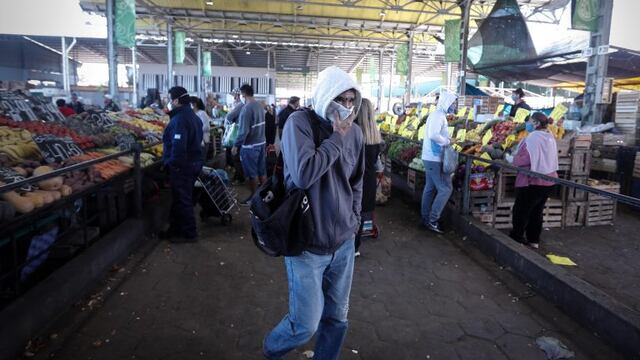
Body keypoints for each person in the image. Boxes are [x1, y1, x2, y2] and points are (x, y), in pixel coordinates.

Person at [263, 66, 364, 360]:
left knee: (337, 318)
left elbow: (356, 182)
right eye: (339, 99)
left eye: (350, 101)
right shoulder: (300, 124)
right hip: (306, 243)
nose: (345, 107)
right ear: (324, 96)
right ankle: (270, 349)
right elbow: (305, 174)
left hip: (343, 243)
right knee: (304, 325)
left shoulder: (355, 133)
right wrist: (336, 139)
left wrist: (355, 220)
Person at [159, 87, 204, 242]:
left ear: (176, 100)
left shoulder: (179, 120)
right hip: (193, 164)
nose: (169, 103)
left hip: (183, 167)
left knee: (183, 200)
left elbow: (179, 148)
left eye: (171, 100)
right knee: (181, 199)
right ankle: (175, 229)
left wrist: (171, 164)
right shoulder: (194, 117)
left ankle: (190, 234)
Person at [509, 113, 558, 249]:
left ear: (536, 123)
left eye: (529, 121)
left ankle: (517, 237)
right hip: (549, 180)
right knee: (537, 211)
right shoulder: (549, 136)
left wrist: (510, 158)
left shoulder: (532, 138)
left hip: (533, 181)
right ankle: (533, 240)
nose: (527, 124)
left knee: (521, 211)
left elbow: (524, 160)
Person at [420, 91, 457, 234]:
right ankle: (432, 220)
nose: (454, 106)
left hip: (430, 157)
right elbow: (433, 135)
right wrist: (448, 141)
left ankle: (425, 218)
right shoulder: (438, 116)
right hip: (434, 158)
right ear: (447, 102)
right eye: (453, 103)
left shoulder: (437, 115)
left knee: (430, 187)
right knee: (445, 189)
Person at [353, 98, 383, 257]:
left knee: (351, 213)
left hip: (355, 180)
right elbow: (377, 162)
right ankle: (356, 247)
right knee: (361, 214)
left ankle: (348, 247)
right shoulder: (375, 135)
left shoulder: (353, 132)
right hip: (369, 180)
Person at [232, 84, 266, 204]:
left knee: (252, 174)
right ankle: (264, 196)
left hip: (250, 146)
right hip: (261, 143)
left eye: (240, 95)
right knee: (262, 171)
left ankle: (254, 198)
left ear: (244, 95)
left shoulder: (246, 108)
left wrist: (236, 145)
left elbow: (243, 132)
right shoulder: (259, 105)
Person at [225, 89, 245, 184]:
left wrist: (231, 123)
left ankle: (239, 178)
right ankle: (240, 176)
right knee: (238, 157)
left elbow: (229, 117)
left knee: (236, 157)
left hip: (238, 134)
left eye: (235, 95)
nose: (234, 97)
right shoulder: (245, 105)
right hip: (244, 134)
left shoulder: (240, 105)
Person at [190, 96, 212, 162]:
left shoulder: (202, 113)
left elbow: (207, 127)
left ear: (194, 104)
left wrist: (195, 129)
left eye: (190, 104)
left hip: (203, 141)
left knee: (201, 161)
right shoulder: (191, 114)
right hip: (195, 142)